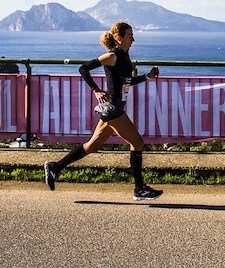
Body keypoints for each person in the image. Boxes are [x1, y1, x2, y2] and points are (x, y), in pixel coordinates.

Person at [44, 22, 162, 200]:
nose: (133, 39)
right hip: (112, 110)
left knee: (91, 146)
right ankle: (139, 189)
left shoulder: (124, 56)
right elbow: (83, 68)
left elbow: (126, 82)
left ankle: (55, 167)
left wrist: (147, 77)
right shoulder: (112, 56)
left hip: (113, 109)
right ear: (119, 38)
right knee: (137, 143)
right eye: (130, 36)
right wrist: (96, 89)